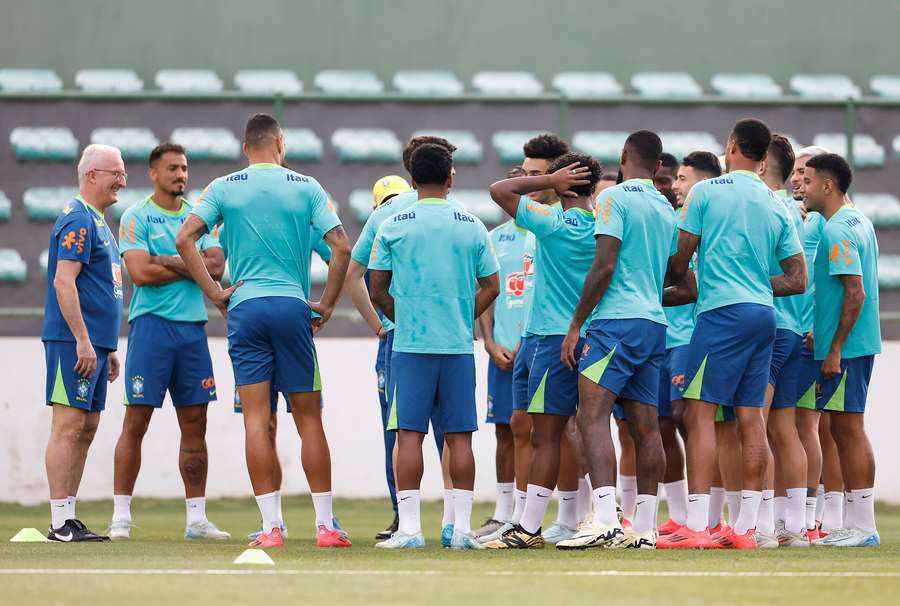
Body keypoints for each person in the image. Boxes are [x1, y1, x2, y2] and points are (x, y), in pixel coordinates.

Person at [176, 113, 352, 549]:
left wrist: (215, 292)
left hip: (246, 307)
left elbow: (184, 240)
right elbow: (342, 248)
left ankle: (272, 527)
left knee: (256, 419)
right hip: (292, 306)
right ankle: (326, 527)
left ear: (244, 149)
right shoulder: (307, 186)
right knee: (309, 418)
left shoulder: (222, 186)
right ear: (281, 143)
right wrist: (327, 303)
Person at [659, 119, 806, 550]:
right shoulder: (776, 202)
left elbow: (680, 262)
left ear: (732, 146)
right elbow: (798, 278)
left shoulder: (707, 192)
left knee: (698, 413)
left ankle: (698, 525)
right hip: (765, 314)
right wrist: (758, 286)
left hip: (721, 313)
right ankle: (745, 529)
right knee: (750, 415)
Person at [369, 143, 500, 549]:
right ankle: (461, 530)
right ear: (450, 177)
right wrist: (463, 316)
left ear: (411, 180)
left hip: (410, 344)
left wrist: (402, 315)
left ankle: (409, 530)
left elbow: (376, 285)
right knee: (460, 436)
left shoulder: (393, 223)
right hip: (457, 346)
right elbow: (492, 285)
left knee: (408, 435)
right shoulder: (472, 224)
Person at [556, 131, 682, 550]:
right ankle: (644, 528)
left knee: (589, 416)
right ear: (659, 166)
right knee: (647, 427)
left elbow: (604, 264)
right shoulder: (666, 208)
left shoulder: (613, 199)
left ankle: (606, 518)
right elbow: (672, 277)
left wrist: (576, 323)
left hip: (616, 322)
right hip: (653, 324)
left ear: (625, 156)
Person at [107, 144, 228, 541]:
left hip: (192, 330)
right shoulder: (136, 215)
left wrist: (168, 260)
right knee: (136, 420)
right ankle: (121, 516)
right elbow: (140, 272)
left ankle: (196, 519)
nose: (181, 174)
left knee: (196, 423)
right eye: (173, 168)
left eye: (185, 168)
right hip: (151, 328)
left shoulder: (198, 218)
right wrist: (190, 265)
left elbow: (216, 265)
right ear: (153, 173)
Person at [343, 138, 459, 543]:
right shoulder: (456, 213)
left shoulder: (387, 214)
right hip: (450, 334)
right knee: (453, 430)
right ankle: (453, 522)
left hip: (401, 336)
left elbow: (354, 274)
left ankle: (404, 520)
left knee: (400, 430)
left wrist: (381, 323)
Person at [483, 152, 599, 550]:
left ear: (565, 183)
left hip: (551, 338)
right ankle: (572, 518)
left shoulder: (555, 224)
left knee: (546, 435)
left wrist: (549, 180)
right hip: (555, 334)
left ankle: (529, 527)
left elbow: (500, 190)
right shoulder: (603, 225)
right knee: (565, 431)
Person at [42, 144, 125, 541]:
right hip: (70, 342)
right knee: (68, 424)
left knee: (87, 426)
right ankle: (59, 521)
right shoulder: (78, 220)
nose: (122, 181)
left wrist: (105, 347)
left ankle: (69, 516)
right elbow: (64, 281)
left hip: (94, 345)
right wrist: (82, 340)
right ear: (92, 175)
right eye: (116, 173)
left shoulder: (100, 223)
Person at [803, 153, 881, 547]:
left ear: (828, 185)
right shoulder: (859, 220)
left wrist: (834, 347)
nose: (803, 185)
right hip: (852, 342)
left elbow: (856, 290)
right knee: (841, 428)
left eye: (809, 179)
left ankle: (863, 527)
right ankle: (856, 522)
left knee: (848, 430)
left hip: (847, 349)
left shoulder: (837, 230)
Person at [656, 151, 722, 537]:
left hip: (688, 336)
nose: (677, 186)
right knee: (663, 422)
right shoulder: (671, 219)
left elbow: (691, 285)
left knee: (689, 419)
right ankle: (680, 515)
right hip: (659, 335)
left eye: (682, 179)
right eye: (673, 179)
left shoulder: (706, 221)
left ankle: (710, 515)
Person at [755, 134, 810, 547]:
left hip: (771, 326)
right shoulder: (799, 211)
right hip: (793, 327)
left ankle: (762, 525)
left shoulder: (764, 206)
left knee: (756, 424)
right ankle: (795, 525)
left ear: (760, 166)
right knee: (785, 428)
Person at [473, 170, 530, 540]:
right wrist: (490, 343)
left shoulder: (546, 234)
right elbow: (487, 293)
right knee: (505, 432)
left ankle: (529, 513)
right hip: (502, 352)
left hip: (536, 347)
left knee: (536, 433)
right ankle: (503, 512)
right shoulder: (494, 239)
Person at [790, 146, 840, 538]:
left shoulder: (824, 222)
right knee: (811, 426)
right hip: (799, 331)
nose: (797, 179)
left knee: (810, 425)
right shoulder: (801, 216)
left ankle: (813, 517)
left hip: (809, 333)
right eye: (794, 172)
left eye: (805, 173)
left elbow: (830, 281)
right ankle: (816, 515)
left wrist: (821, 330)